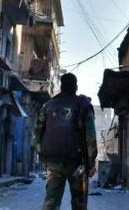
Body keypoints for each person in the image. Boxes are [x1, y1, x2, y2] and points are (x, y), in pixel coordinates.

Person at [32, 73, 98, 210]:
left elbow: (36, 135)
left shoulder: (47, 106)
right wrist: (91, 163)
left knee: (51, 202)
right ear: (76, 87)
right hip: (77, 164)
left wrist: (43, 155)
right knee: (79, 204)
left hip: (54, 163)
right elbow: (90, 137)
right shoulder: (83, 106)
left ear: (61, 87)